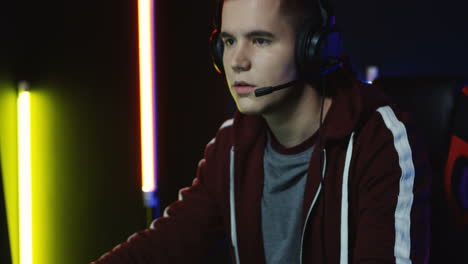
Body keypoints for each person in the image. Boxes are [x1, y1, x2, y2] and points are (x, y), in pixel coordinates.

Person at [92, 0, 431, 263]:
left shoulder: (377, 139)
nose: (237, 60)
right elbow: (166, 246)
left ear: (312, 50)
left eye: (260, 40)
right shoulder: (232, 146)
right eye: (228, 41)